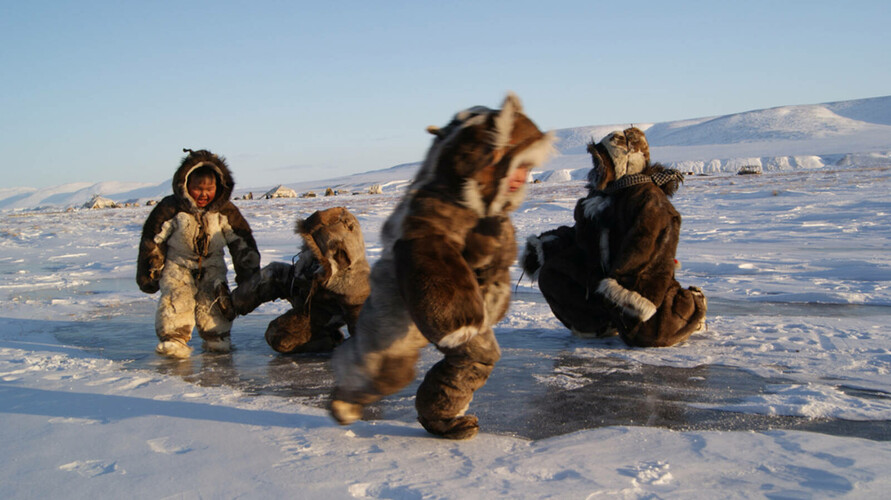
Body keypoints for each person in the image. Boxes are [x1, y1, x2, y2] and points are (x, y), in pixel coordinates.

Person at [328, 93, 555, 439]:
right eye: (519, 166)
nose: (523, 177)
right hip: (407, 292)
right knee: (387, 366)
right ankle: (351, 391)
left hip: (458, 299)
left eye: (529, 168)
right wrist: (457, 313)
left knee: (480, 354)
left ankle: (440, 412)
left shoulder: (494, 209)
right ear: (490, 161)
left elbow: (497, 259)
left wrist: (490, 286)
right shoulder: (436, 205)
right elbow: (425, 252)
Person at [522, 127, 707, 347]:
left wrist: (622, 290)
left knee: (648, 335)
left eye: (603, 162)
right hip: (603, 278)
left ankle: (693, 306)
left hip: (644, 281)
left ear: (623, 163)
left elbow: (645, 253)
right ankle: (599, 323)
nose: (597, 168)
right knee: (553, 273)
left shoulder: (649, 201)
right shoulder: (599, 199)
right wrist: (548, 246)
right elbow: (580, 237)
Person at [136, 149, 260, 358]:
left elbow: (242, 242)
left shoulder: (225, 211)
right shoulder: (170, 208)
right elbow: (153, 239)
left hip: (213, 265)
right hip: (178, 265)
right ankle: (173, 341)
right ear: (185, 186)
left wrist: (248, 274)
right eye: (197, 188)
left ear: (218, 187)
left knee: (215, 300)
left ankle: (217, 338)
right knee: (177, 299)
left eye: (209, 189)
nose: (203, 194)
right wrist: (151, 270)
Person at [231, 206, 371, 354]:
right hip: (307, 303)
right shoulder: (308, 263)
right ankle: (229, 306)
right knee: (273, 273)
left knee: (281, 338)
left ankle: (326, 338)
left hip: (326, 314)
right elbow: (285, 278)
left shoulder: (355, 281)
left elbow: (364, 324)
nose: (311, 249)